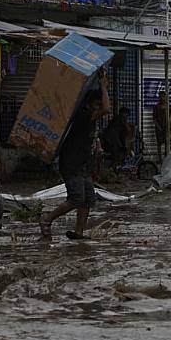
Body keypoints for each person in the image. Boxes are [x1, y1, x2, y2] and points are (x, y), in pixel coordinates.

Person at [40, 71, 110, 241]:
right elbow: (107, 109)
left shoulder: (90, 119)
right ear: (88, 105)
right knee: (76, 198)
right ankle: (47, 219)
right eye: (96, 105)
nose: (98, 108)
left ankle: (79, 232)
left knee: (88, 200)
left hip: (83, 166)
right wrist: (104, 85)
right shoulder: (84, 116)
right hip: (71, 164)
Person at [153, 92, 169, 160]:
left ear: (165, 97)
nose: (162, 98)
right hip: (159, 129)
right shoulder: (156, 107)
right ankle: (159, 159)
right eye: (160, 97)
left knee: (166, 144)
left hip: (166, 128)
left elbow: (170, 117)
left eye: (163, 96)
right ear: (159, 98)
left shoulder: (168, 107)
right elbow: (154, 118)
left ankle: (166, 158)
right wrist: (158, 127)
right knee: (159, 144)